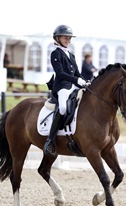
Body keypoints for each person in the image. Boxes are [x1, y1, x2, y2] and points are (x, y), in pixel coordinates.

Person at [43, 25, 90, 156]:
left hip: (73, 86)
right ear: (57, 38)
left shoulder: (71, 55)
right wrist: (77, 81)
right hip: (62, 86)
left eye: (69, 38)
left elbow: (77, 73)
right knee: (63, 108)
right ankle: (50, 140)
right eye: (65, 38)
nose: (68, 40)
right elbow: (60, 73)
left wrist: (85, 81)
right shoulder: (55, 53)